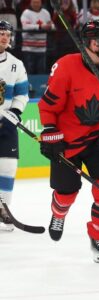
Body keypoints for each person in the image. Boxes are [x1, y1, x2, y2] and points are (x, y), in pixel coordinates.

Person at [37, 20, 99, 264]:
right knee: (66, 194)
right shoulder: (66, 67)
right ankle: (58, 213)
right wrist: (50, 132)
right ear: (94, 44)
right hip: (68, 143)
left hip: (98, 141)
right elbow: (48, 106)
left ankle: (98, 239)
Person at [0, 20, 29, 231]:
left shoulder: (16, 64)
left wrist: (15, 112)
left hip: (6, 123)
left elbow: (22, 94)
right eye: (1, 33)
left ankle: (4, 209)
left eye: (7, 35)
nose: (4, 37)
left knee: (9, 166)